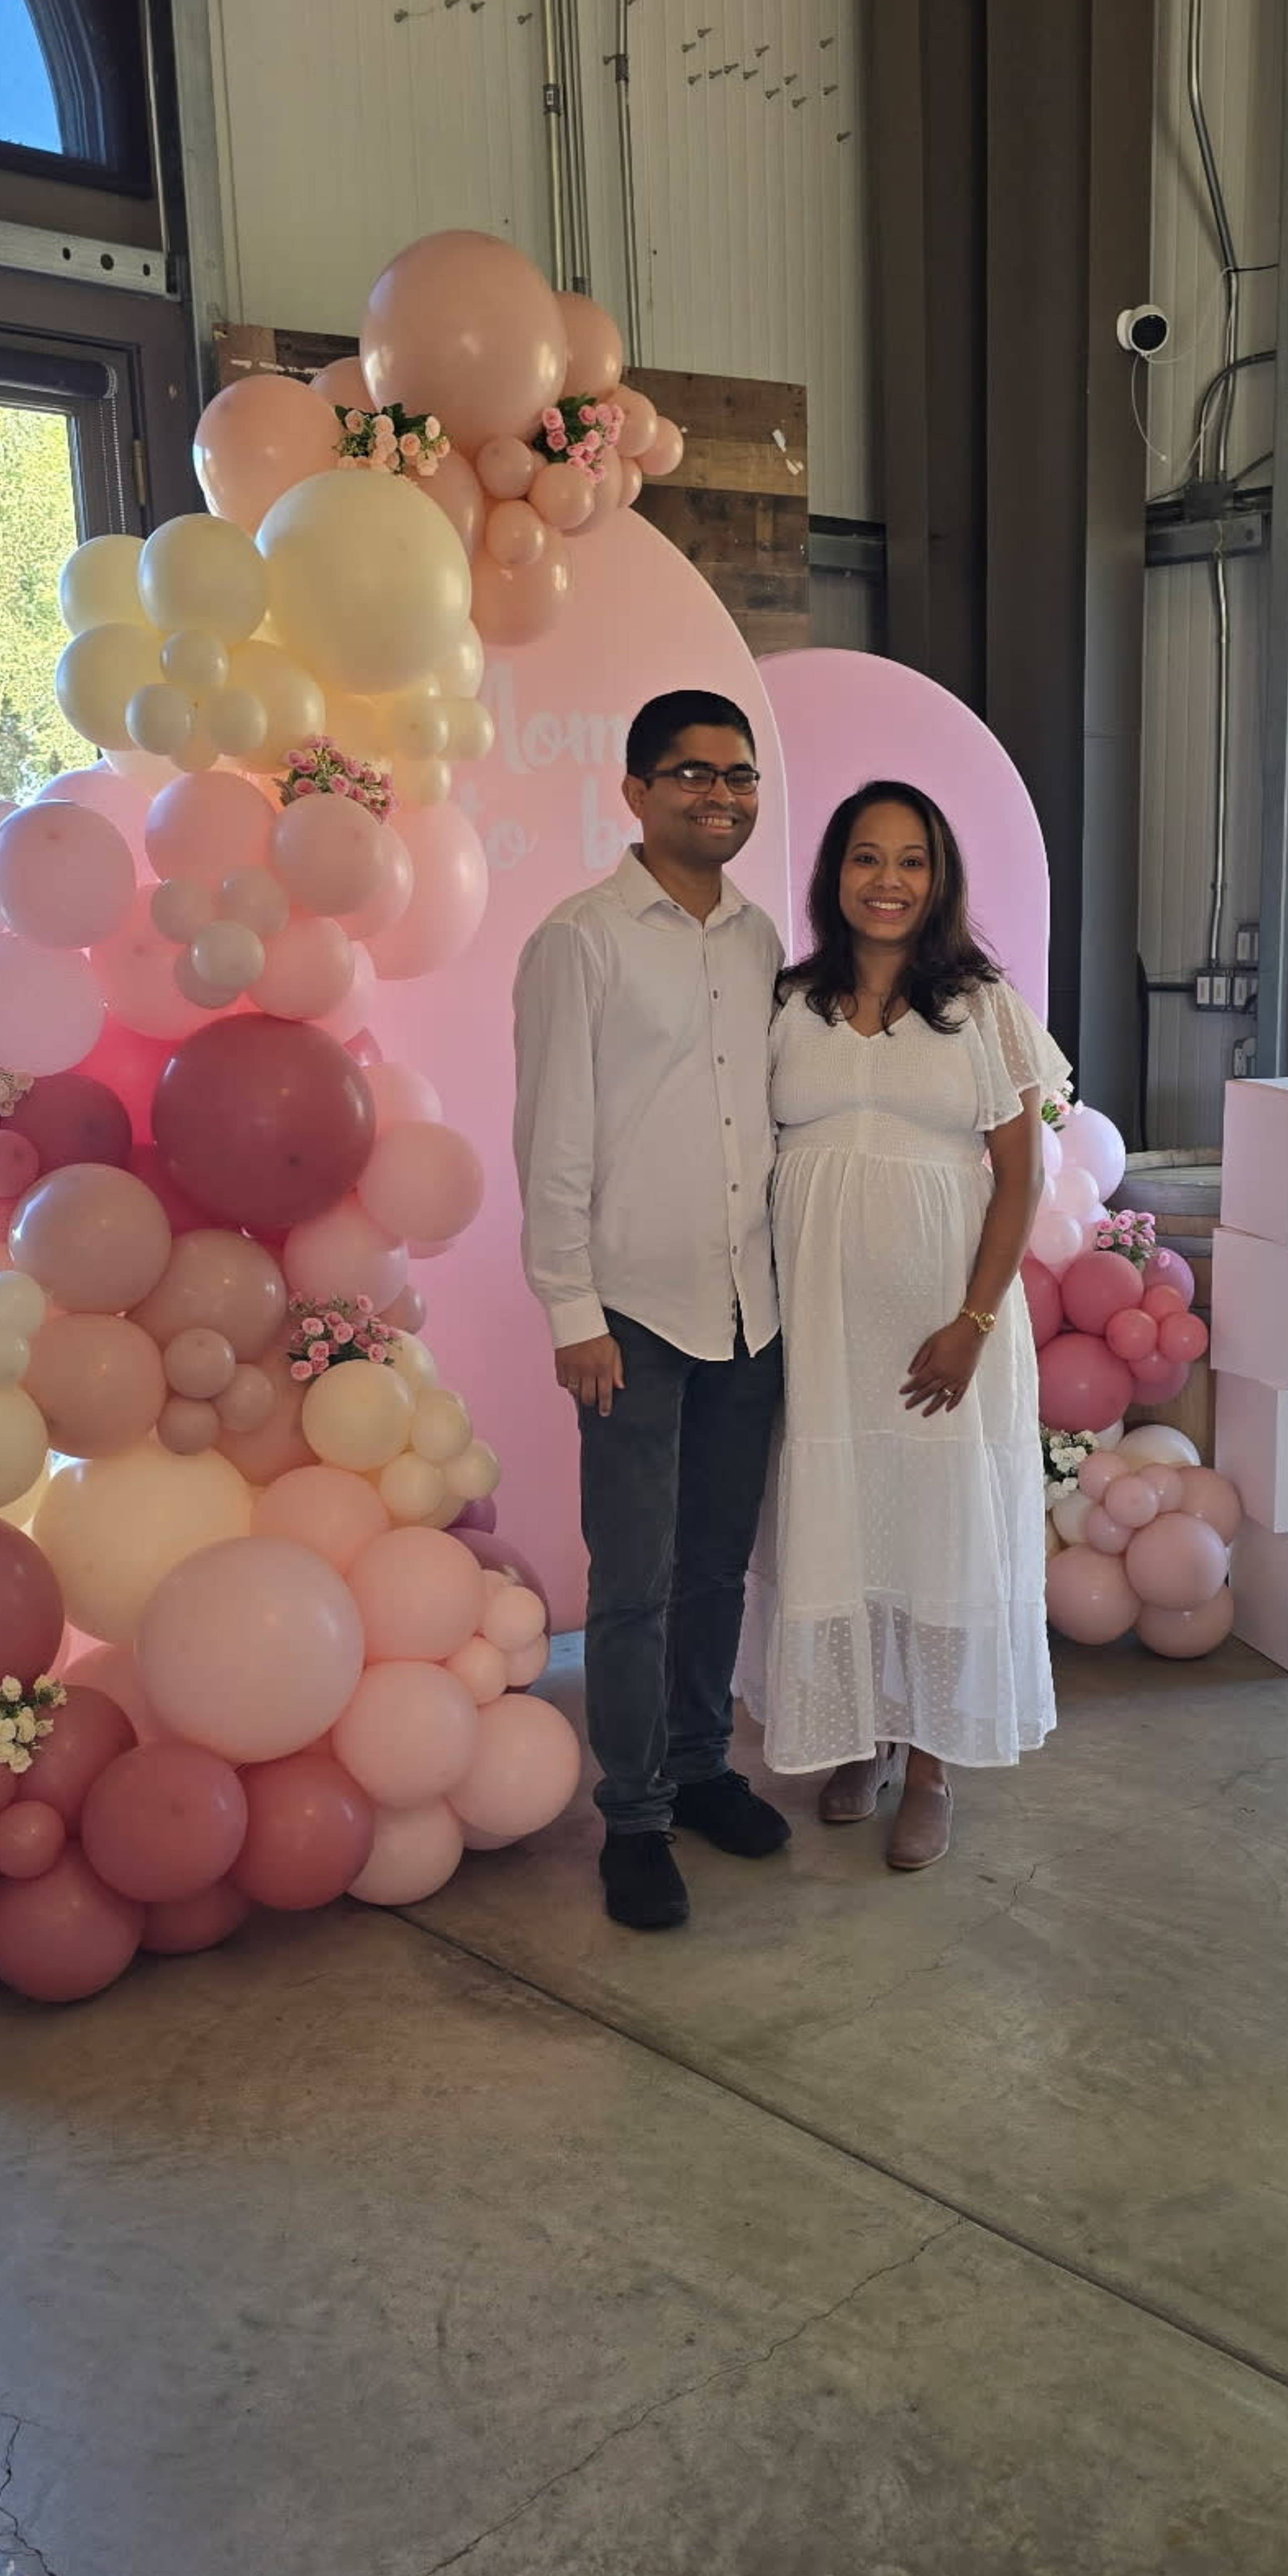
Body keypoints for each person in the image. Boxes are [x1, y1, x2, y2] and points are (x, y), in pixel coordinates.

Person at [738, 782, 1066, 1870]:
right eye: (866, 858)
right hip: (824, 1329)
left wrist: (974, 1320)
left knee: (935, 1526)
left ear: (941, 879)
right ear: (835, 874)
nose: (889, 881)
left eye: (912, 860)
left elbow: (1018, 1179)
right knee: (844, 1516)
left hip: (944, 1323)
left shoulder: (983, 1009)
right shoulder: (786, 1003)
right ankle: (862, 1737)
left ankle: (930, 1763)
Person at [513, 688, 789, 1932]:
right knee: (632, 1578)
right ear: (635, 792)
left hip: (752, 1309)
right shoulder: (581, 940)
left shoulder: (759, 940)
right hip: (630, 1313)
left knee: (720, 1570)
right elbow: (553, 1139)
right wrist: (571, 1307)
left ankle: (699, 1766)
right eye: (690, 775)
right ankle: (631, 1817)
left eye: (737, 777)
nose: (718, 796)